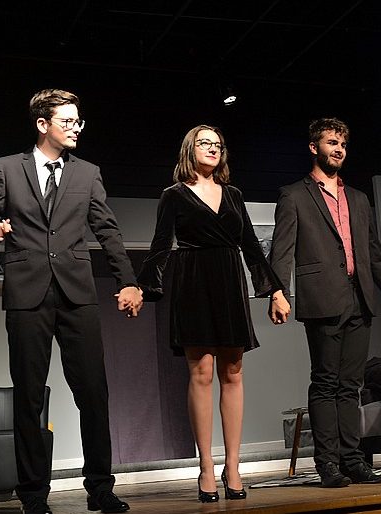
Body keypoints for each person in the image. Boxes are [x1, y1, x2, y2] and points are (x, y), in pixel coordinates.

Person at [0, 89, 142, 514]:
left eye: (78, 121)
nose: (76, 128)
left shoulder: (88, 173)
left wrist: (128, 281)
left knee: (94, 393)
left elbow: (107, 229)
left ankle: (100, 487)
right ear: (42, 124)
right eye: (67, 121)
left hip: (77, 292)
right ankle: (32, 495)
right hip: (27, 292)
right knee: (28, 396)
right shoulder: (7, 168)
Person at [269, 118, 381, 487]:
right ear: (314, 147)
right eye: (332, 143)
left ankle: (353, 461)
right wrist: (277, 291)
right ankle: (327, 464)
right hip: (322, 298)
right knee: (325, 382)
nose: (339, 150)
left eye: (343, 144)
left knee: (351, 385)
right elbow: (281, 250)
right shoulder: (294, 195)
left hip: (360, 299)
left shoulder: (358, 199)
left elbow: (374, 257)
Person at [138, 125, 286, 502]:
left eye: (218, 144)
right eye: (205, 143)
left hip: (228, 280)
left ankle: (233, 465)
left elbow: (251, 246)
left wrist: (275, 290)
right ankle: (205, 465)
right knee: (201, 371)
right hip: (193, 282)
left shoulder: (233, 194)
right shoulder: (173, 195)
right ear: (190, 148)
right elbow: (160, 245)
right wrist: (142, 287)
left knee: (233, 370)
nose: (213, 148)